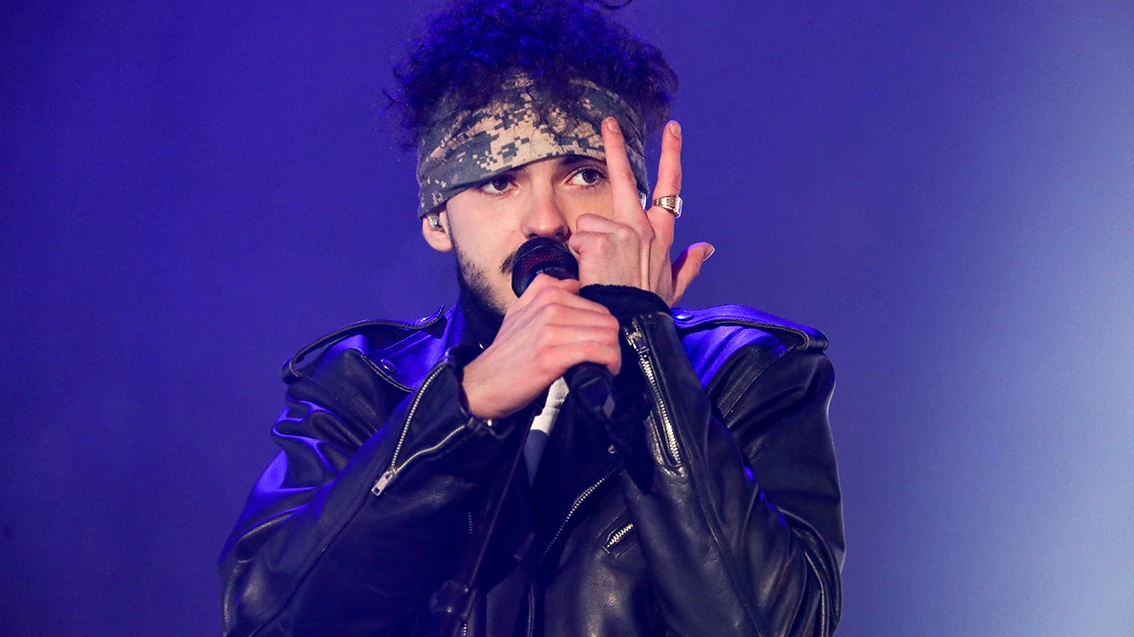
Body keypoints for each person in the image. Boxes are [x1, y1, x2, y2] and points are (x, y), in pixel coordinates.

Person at [218, 1, 845, 635]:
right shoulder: (362, 386)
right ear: (437, 218)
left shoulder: (746, 371)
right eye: (499, 182)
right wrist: (463, 405)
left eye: (584, 175)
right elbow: (267, 622)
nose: (546, 221)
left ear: (634, 198)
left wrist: (645, 349)